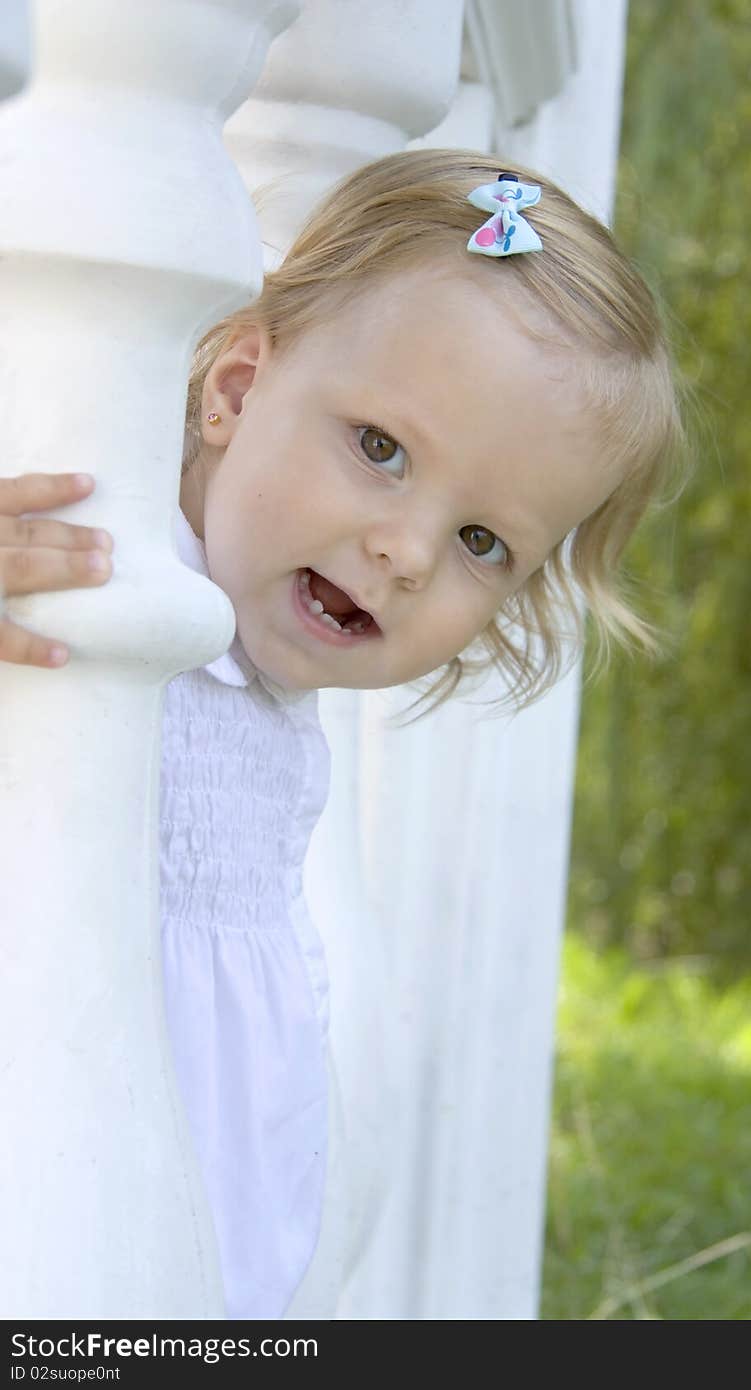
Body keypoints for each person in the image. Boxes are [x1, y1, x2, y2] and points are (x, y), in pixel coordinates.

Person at [0, 149, 687, 1318]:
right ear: (235, 384)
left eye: (482, 543)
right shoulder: (86, 577)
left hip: (199, 1261)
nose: (408, 552)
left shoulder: (269, 700)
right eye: (379, 448)